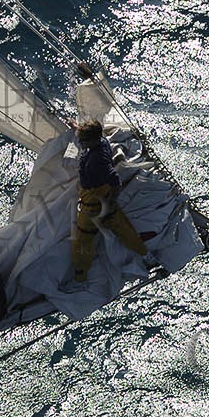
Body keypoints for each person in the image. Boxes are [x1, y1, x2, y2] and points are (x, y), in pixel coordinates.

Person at [72, 121, 147, 281]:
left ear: (91, 140)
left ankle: (80, 274)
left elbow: (115, 181)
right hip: (100, 194)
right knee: (121, 226)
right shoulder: (101, 141)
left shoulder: (97, 161)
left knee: (83, 238)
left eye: (83, 141)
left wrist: (110, 203)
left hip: (93, 202)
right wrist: (76, 127)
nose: (80, 143)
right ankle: (142, 252)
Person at [72, 61, 114, 128]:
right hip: (109, 115)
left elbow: (82, 111)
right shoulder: (101, 78)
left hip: (97, 123)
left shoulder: (82, 88)